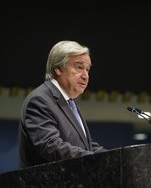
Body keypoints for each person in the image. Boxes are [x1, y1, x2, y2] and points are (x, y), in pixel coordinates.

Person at [18, 40, 107, 168]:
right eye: (79, 67)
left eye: (87, 70)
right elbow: (50, 145)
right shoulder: (40, 100)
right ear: (58, 68)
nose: (86, 76)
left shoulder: (69, 102)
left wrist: (113, 158)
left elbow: (85, 144)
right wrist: (95, 160)